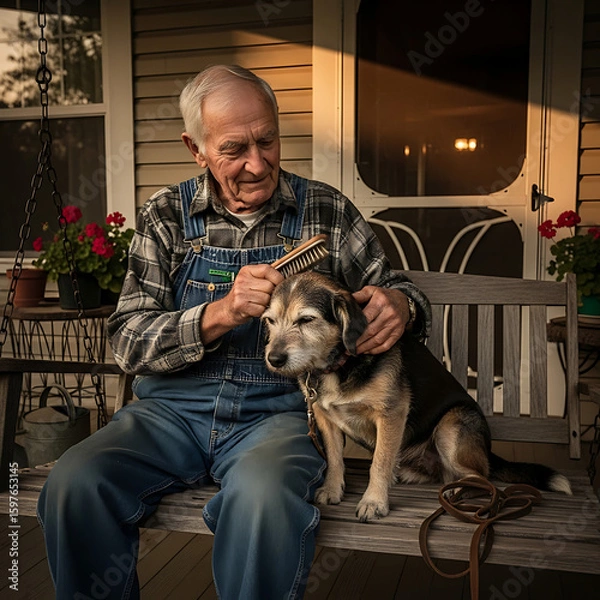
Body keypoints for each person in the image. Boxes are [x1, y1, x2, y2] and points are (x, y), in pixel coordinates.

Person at [37, 65, 431, 600]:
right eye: (234, 149)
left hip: (279, 415)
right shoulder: (166, 216)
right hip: (169, 412)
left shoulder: (327, 210)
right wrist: (216, 314)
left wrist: (402, 304)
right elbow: (127, 338)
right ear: (195, 149)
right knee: (74, 483)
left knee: (264, 498)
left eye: (267, 140)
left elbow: (396, 289)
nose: (257, 162)